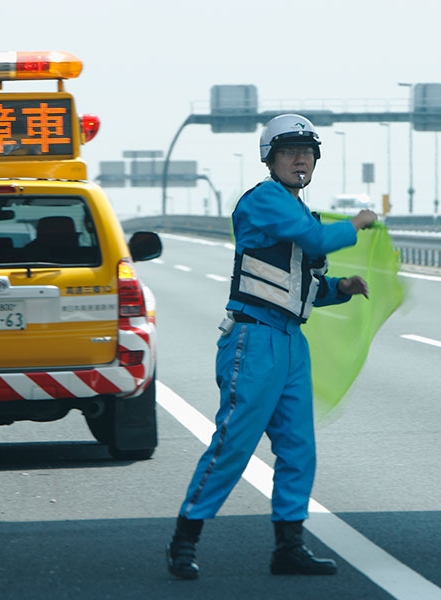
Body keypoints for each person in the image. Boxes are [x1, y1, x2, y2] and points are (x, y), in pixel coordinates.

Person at [167, 114, 378, 580]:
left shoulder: (296, 209)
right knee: (233, 444)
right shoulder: (264, 200)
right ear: (270, 159)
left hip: (289, 341)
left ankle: (289, 546)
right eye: (289, 151)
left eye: (307, 152)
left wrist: (340, 287)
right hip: (254, 339)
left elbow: (297, 284)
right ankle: (185, 539)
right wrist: (357, 223)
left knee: (298, 447)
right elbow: (318, 239)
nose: (300, 159)